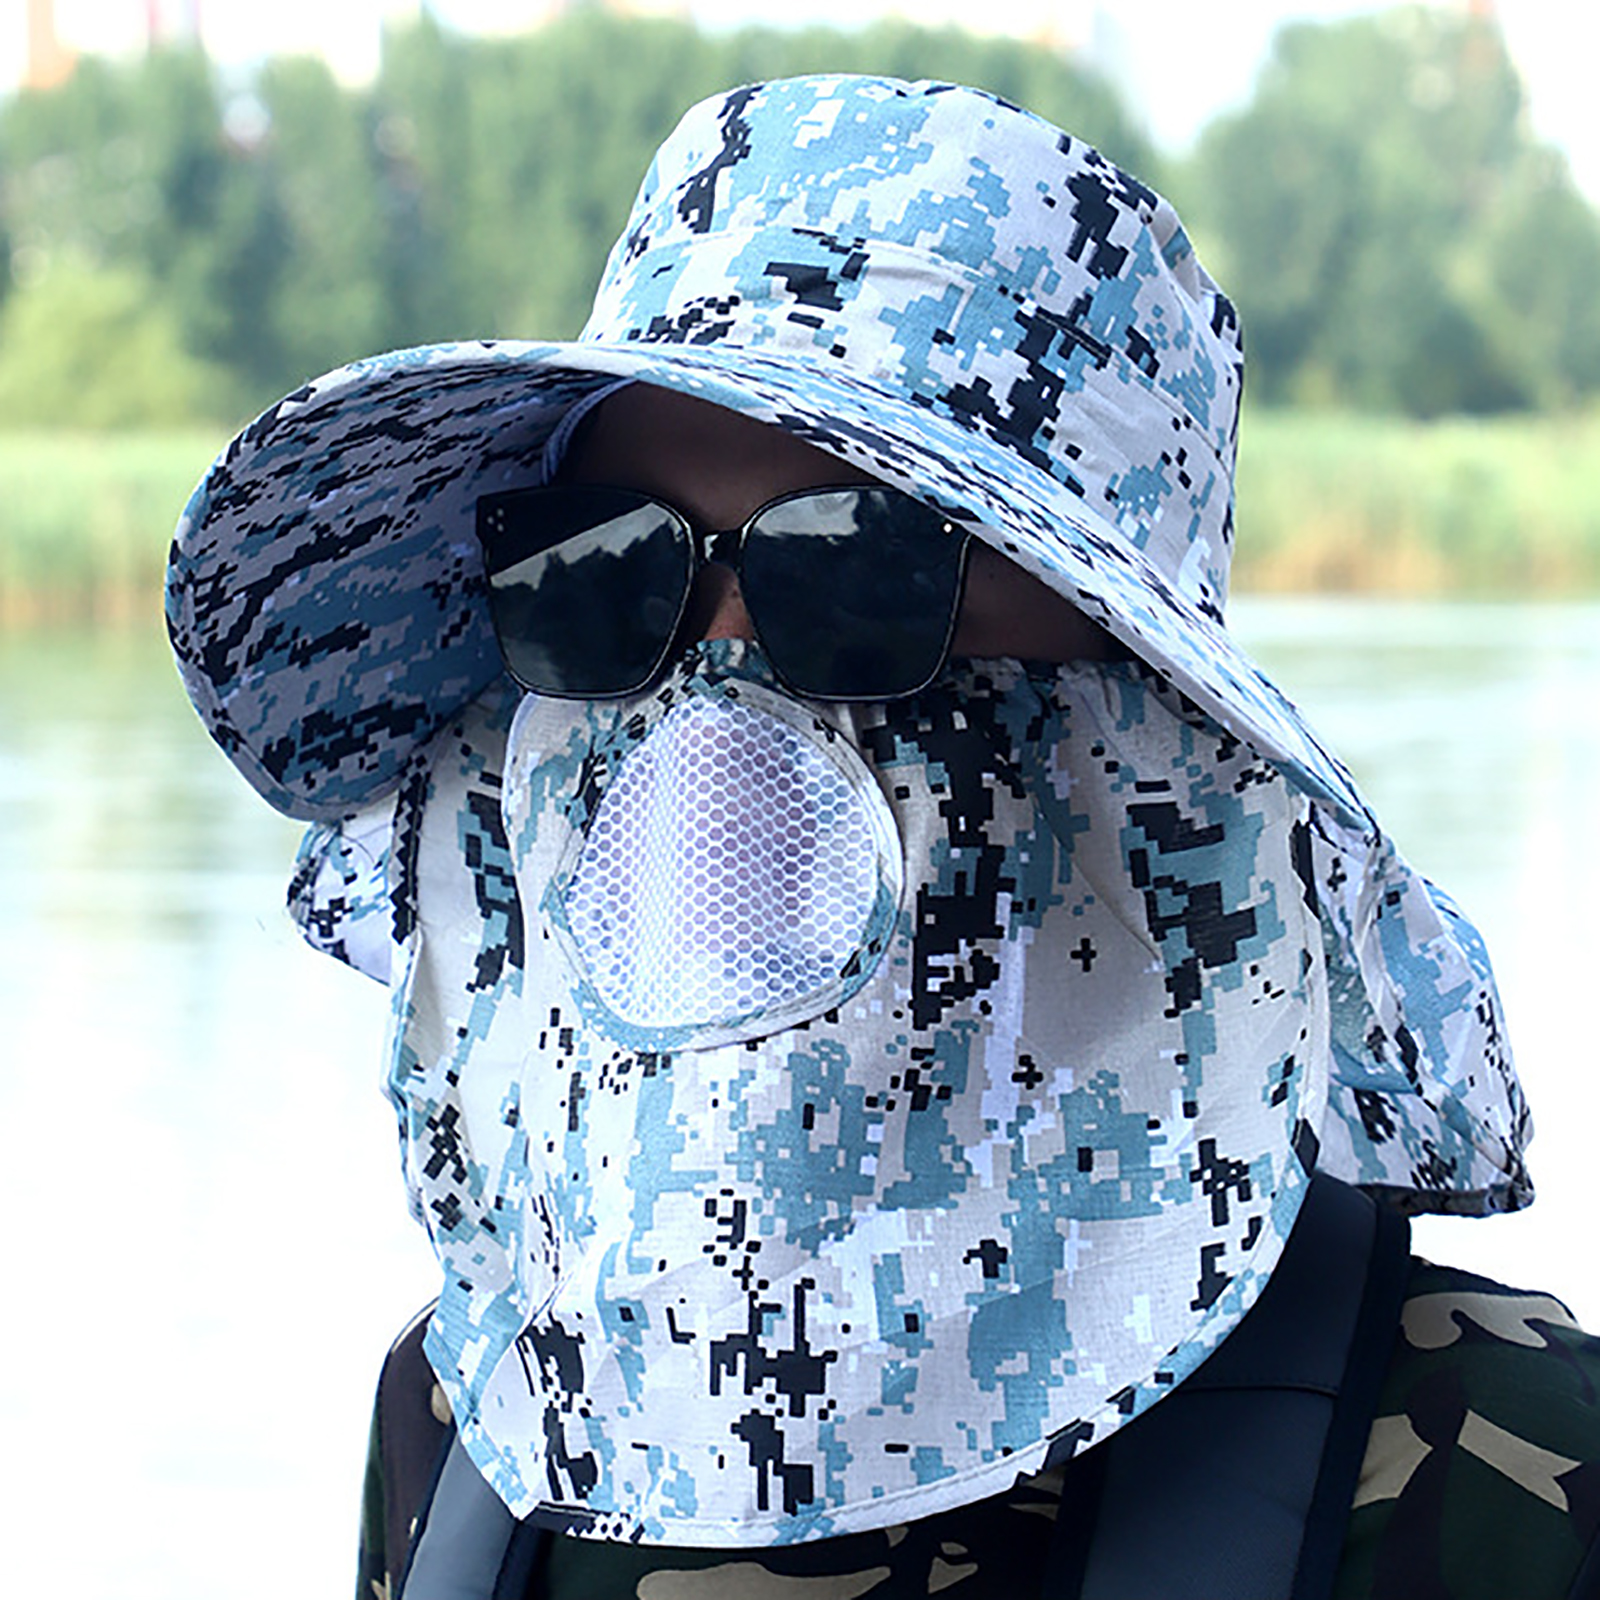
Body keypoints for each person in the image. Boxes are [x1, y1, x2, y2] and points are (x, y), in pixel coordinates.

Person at [166, 75, 1600, 1599]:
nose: (709, 690)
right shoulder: (473, 1419)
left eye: (857, 567)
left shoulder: (1491, 1456)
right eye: (603, 570)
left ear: (1144, 720)